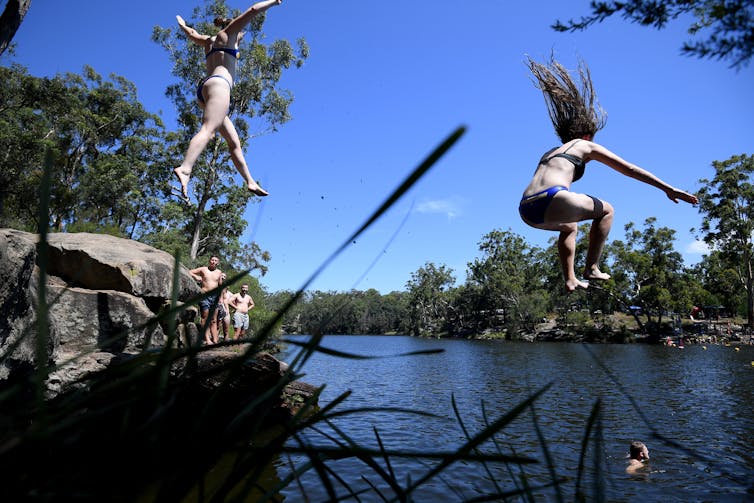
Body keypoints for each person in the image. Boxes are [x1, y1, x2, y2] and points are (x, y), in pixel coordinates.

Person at [520, 56, 698, 292]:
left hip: (527, 209)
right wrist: (667, 188)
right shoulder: (584, 145)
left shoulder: (550, 152)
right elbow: (630, 169)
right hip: (554, 197)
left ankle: (570, 279)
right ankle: (592, 267)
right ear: (586, 135)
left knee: (569, 226)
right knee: (607, 210)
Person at [172, 0, 283, 202]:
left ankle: (250, 180)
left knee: (234, 143)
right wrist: (274, 2)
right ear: (235, 29)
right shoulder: (228, 34)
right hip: (220, 86)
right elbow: (253, 10)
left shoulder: (209, 41)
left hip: (205, 90)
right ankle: (186, 168)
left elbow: (191, 34)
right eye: (242, 33)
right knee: (208, 130)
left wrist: (182, 25)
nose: (242, 36)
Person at [189, 256, 224, 344]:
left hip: (215, 297)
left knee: (214, 320)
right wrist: (195, 276)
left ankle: (215, 340)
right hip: (204, 295)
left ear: (218, 263)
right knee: (205, 317)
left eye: (215, 260)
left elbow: (220, 286)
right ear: (209, 261)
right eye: (212, 260)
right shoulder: (203, 269)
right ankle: (207, 339)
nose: (213, 261)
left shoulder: (219, 272)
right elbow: (189, 271)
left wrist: (221, 298)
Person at [216, 273, 233, 341]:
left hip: (225, 309)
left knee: (226, 328)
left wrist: (234, 309)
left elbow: (232, 300)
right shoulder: (215, 285)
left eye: (224, 276)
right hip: (217, 307)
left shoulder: (228, 292)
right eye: (221, 276)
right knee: (217, 326)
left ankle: (225, 343)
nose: (223, 277)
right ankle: (215, 341)